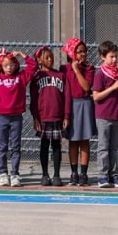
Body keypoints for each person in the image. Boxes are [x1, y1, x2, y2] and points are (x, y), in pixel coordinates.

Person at [29, 45, 68, 187]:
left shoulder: (60, 75)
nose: (50, 59)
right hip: (43, 116)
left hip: (57, 116)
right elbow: (33, 100)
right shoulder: (37, 77)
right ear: (39, 59)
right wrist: (35, 117)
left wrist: (66, 116)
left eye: (51, 57)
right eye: (47, 57)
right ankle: (45, 174)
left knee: (57, 146)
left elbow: (66, 97)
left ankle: (57, 175)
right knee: (44, 145)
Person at [92, 42, 118, 190]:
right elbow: (96, 96)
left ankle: (114, 175)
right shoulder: (100, 74)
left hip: (116, 114)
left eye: (116, 56)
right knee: (103, 147)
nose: (114, 59)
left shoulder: (117, 74)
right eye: (111, 57)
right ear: (103, 57)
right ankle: (103, 175)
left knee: (114, 147)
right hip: (103, 115)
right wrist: (113, 87)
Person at [0, 49, 28, 185]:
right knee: (2, 146)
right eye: (6, 65)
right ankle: (2, 173)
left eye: (12, 64)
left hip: (16, 117)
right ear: (1, 66)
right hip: (1, 117)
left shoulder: (21, 77)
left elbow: (33, 67)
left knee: (15, 146)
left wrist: (21, 54)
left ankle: (15, 174)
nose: (9, 67)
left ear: (16, 65)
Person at [64, 39, 96, 187]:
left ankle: (83, 173)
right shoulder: (64, 69)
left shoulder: (89, 68)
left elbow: (86, 87)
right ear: (72, 53)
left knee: (84, 140)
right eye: (79, 51)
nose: (83, 54)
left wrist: (77, 70)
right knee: (73, 140)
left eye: (84, 51)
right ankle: (73, 172)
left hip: (84, 104)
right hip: (71, 104)